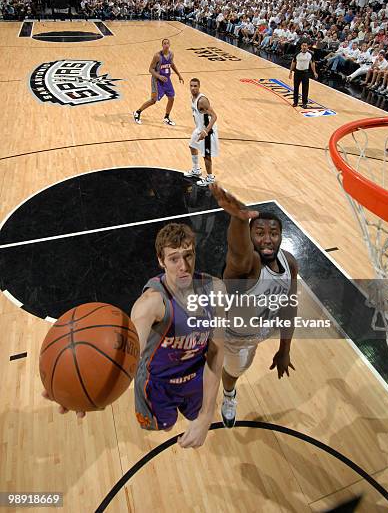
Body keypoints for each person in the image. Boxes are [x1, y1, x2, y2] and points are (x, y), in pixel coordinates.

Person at [43, 223, 225, 449]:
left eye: (188, 256)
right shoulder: (151, 303)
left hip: (195, 378)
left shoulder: (216, 289)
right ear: (161, 261)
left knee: (194, 417)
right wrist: (84, 388)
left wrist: (207, 416)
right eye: (174, 259)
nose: (184, 266)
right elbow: (130, 349)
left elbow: (217, 353)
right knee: (165, 427)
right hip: (157, 384)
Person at [210, 184, 298, 428]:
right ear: (250, 237)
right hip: (226, 332)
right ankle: (222, 393)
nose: (267, 239)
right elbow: (238, 254)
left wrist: (285, 349)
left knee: (233, 373)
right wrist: (239, 220)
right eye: (259, 232)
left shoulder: (289, 264)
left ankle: (228, 391)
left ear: (282, 236)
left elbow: (290, 307)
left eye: (274, 233)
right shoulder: (248, 268)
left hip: (251, 337)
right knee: (214, 369)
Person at [133, 38, 184, 126]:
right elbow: (150, 69)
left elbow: (172, 64)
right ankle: (137, 112)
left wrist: (179, 74)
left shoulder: (171, 54)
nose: (166, 45)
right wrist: (159, 76)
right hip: (156, 80)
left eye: (168, 43)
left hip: (166, 80)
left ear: (170, 45)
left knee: (171, 98)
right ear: (162, 45)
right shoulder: (157, 56)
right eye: (164, 43)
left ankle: (166, 117)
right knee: (153, 100)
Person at [184, 78, 219, 187]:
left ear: (199, 87)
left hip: (208, 131)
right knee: (192, 146)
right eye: (191, 86)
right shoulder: (193, 98)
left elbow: (214, 116)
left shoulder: (202, 100)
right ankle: (196, 169)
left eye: (195, 86)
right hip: (199, 128)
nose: (193, 88)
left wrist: (206, 131)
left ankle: (210, 177)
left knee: (206, 156)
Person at [289, 41, 318, 108]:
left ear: (307, 47)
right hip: (297, 72)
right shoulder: (297, 54)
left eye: (305, 46)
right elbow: (293, 63)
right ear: (301, 46)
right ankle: (295, 102)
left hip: (305, 73)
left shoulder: (310, 54)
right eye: (303, 46)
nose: (304, 47)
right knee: (296, 88)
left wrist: (314, 72)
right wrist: (290, 72)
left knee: (305, 89)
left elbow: (312, 63)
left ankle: (304, 103)